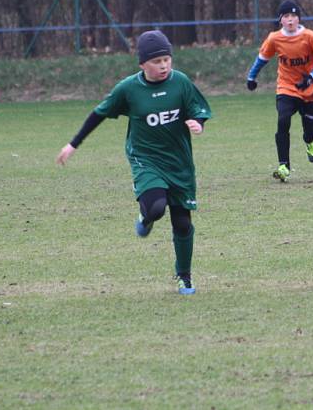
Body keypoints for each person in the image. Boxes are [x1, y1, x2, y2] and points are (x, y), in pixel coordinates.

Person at [56, 30, 212, 295]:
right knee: (156, 208)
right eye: (156, 61)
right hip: (146, 159)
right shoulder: (128, 89)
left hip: (179, 162)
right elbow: (99, 113)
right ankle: (146, 215)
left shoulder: (181, 82)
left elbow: (198, 109)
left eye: (166, 59)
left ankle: (184, 276)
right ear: (142, 64)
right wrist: (73, 144)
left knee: (182, 223)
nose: (163, 65)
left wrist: (199, 123)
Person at [246, 0, 313, 182]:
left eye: (294, 16)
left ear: (299, 18)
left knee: (309, 128)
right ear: (281, 20)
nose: (291, 20)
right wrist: (251, 77)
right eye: (286, 16)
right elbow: (262, 58)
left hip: (310, 89)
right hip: (286, 87)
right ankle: (284, 166)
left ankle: (309, 142)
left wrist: (311, 77)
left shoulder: (310, 37)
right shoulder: (274, 38)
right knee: (283, 120)